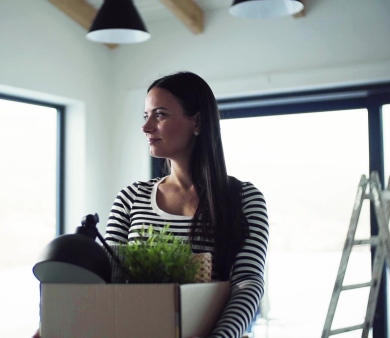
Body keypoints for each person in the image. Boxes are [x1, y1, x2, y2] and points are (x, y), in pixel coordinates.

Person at [105, 71, 269, 338]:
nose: (146, 127)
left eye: (160, 115)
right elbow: (106, 281)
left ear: (197, 122)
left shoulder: (244, 198)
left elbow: (248, 284)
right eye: (146, 116)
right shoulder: (130, 198)